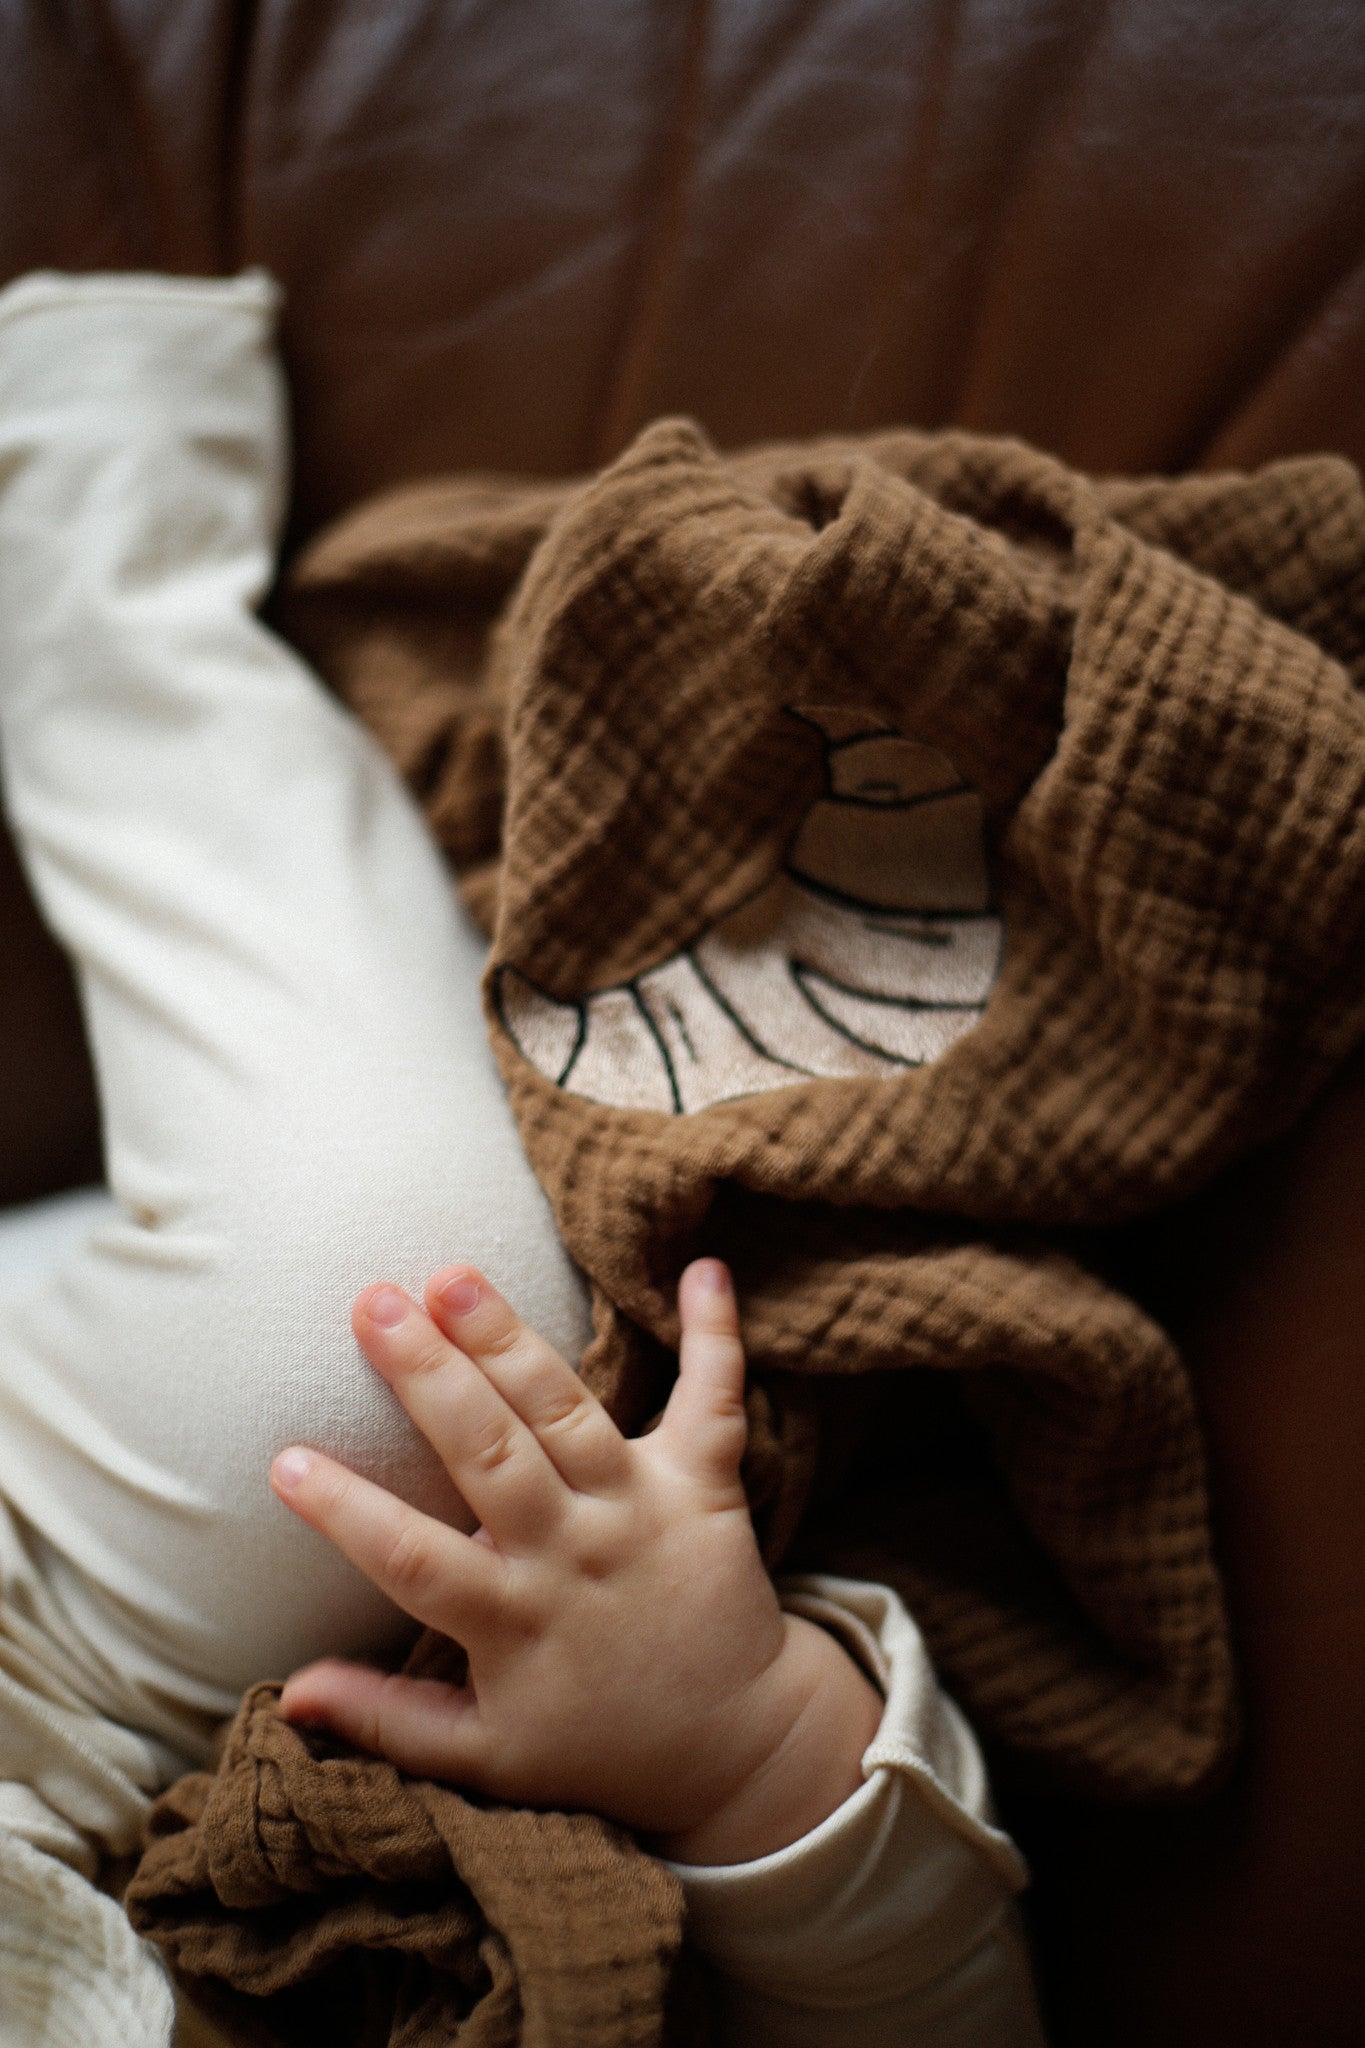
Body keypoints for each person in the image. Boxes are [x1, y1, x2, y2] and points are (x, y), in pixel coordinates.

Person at [0, 269, 1044, 2045]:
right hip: (68, 1704)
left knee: (397, 1341)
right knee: (395, 1343)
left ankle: (91, 588)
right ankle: (100, 548)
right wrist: (734, 1746)